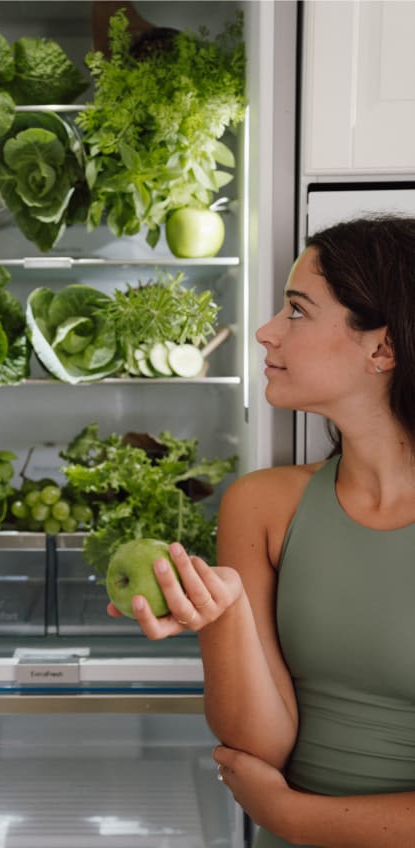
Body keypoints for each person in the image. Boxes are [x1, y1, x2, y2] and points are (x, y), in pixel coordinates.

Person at [108, 215, 415, 847]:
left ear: (382, 348)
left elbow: (268, 796)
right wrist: (225, 616)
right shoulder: (261, 505)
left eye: (297, 311)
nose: (265, 331)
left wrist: (292, 816)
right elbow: (257, 746)